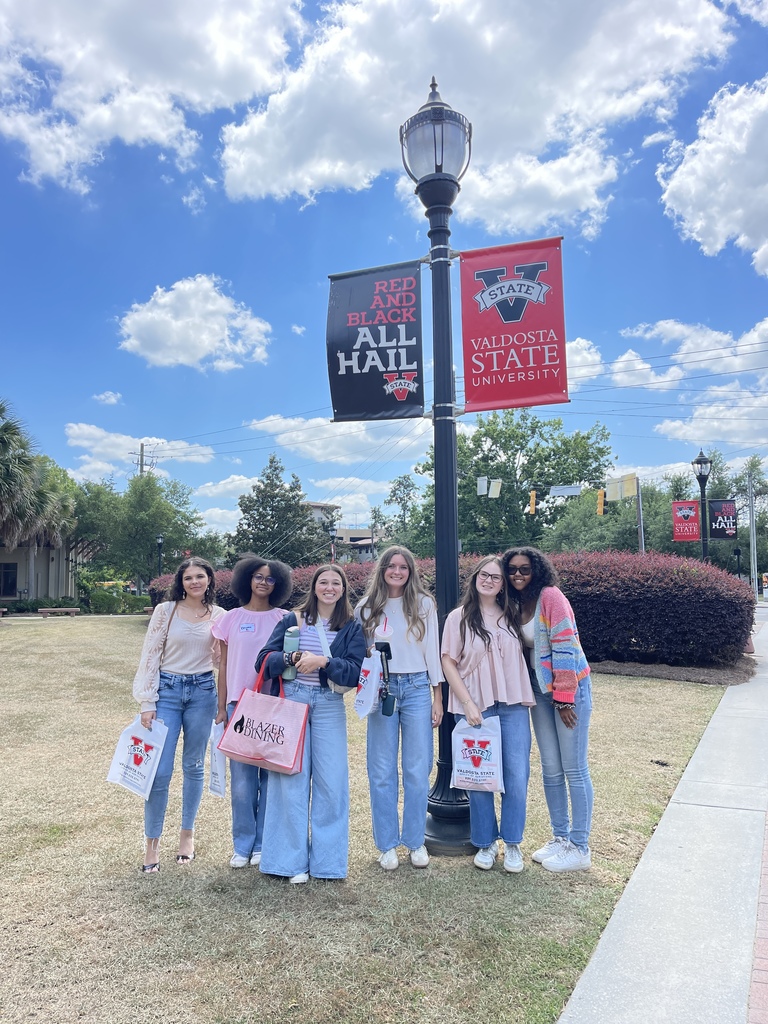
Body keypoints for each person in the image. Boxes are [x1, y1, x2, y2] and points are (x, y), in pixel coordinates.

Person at [255, 564, 366, 883]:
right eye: (323, 582)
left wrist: (325, 662)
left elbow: (355, 672)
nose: (329, 587)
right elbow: (263, 660)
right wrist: (290, 658)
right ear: (314, 587)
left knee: (332, 783)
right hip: (293, 700)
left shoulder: (351, 627)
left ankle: (328, 864)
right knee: (290, 780)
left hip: (329, 705)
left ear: (343, 589)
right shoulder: (293, 619)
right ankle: (289, 863)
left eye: (336, 583)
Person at [502, 546, 593, 872]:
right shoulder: (514, 602)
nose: (518, 575)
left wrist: (565, 698)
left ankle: (580, 847)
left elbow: (565, 645)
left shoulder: (550, 597)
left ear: (536, 570)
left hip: (569, 691)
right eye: (512, 569)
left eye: (524, 569)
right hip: (540, 692)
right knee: (551, 768)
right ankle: (560, 837)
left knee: (574, 767)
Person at [441, 555, 534, 873]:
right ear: (475, 578)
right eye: (484, 574)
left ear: (503, 584)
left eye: (496, 577)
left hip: (513, 706)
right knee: (478, 777)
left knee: (517, 776)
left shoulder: (513, 616)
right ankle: (485, 843)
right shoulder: (458, 618)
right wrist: (466, 703)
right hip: (474, 707)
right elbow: (448, 662)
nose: (489, 580)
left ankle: (512, 843)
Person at [133, 556, 225, 873]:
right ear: (181, 582)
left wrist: (219, 654)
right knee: (159, 771)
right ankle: (152, 844)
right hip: (168, 693)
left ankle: (187, 835)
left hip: (202, 693)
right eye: (189, 578)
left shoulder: (220, 616)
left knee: (194, 765)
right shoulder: (166, 611)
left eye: (200, 576)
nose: (195, 582)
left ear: (210, 580)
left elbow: (220, 662)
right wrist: (147, 702)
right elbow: (150, 655)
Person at [356, 546, 443, 871]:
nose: (396, 571)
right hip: (383, 689)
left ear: (410, 571)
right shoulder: (367, 608)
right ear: (382, 570)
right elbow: (361, 656)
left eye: (402, 567)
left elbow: (432, 650)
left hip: (418, 687)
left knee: (417, 769)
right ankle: (387, 844)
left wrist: (438, 695)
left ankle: (415, 841)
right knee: (381, 770)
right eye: (391, 566)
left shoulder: (424, 604)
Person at [211, 554, 292, 869]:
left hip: (273, 705)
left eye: (270, 578)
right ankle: (242, 845)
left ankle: (263, 843)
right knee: (243, 781)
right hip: (238, 706)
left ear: (278, 584)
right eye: (258, 576)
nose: (263, 582)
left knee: (271, 778)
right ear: (247, 579)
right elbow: (224, 666)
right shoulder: (230, 619)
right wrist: (221, 706)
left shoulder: (284, 619)